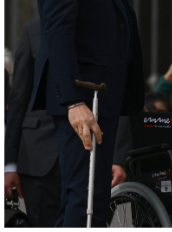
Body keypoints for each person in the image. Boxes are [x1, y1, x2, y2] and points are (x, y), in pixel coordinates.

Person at [28, 0, 144, 227]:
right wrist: (74, 102)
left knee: (89, 200)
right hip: (85, 101)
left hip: (96, 99)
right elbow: (58, 31)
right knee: (84, 202)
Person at [4, 18, 133, 227]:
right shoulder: (33, 29)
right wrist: (9, 164)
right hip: (38, 157)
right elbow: (19, 99)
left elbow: (117, 95)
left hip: (90, 151)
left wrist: (118, 157)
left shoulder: (105, 29)